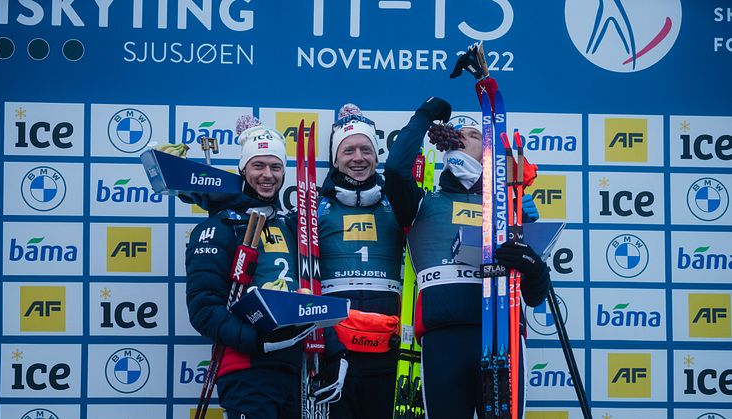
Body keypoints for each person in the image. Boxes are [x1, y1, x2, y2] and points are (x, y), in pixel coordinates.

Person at [382, 51, 550, 417]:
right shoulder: (424, 202)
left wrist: (534, 268)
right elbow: (395, 171)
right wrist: (424, 115)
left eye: (473, 134)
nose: (463, 138)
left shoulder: (509, 205)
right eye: (457, 134)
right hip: (443, 339)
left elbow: (536, 296)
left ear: (489, 147)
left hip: (503, 337)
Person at [186, 115, 344, 419]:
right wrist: (258, 341)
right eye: (258, 166)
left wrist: (334, 350)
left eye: (275, 167)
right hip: (246, 369)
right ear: (243, 170)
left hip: (295, 370)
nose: (267, 175)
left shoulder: (292, 227)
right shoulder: (220, 227)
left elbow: (310, 294)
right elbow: (204, 309)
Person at [317, 104, 405, 419]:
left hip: (388, 347)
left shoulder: (397, 205)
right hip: (335, 347)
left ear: (376, 156)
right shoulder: (314, 209)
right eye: (348, 150)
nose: (358, 158)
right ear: (335, 159)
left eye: (366, 149)